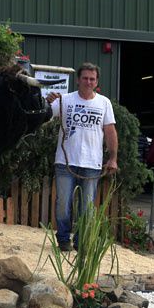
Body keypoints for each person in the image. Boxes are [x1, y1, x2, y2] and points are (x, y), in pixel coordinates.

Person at [46, 62, 118, 251]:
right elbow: (44, 115)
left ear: (97, 82)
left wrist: (112, 158)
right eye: (85, 78)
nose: (88, 81)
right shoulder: (65, 100)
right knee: (63, 204)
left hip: (92, 164)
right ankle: (63, 239)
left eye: (92, 79)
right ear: (78, 80)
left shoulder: (104, 103)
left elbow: (110, 131)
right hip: (65, 161)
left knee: (87, 207)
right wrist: (47, 101)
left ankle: (82, 241)